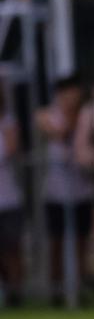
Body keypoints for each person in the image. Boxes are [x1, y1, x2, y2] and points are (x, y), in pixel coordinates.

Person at [36, 74, 94, 306]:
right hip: (56, 191)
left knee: (81, 243)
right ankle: (57, 291)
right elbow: (59, 133)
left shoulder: (86, 114)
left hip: (81, 189)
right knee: (57, 242)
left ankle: (80, 288)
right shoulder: (46, 114)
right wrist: (78, 116)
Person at [0, 86, 24, 307]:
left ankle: (16, 294)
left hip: (8, 198)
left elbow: (9, 150)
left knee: (11, 249)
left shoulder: (7, 121)